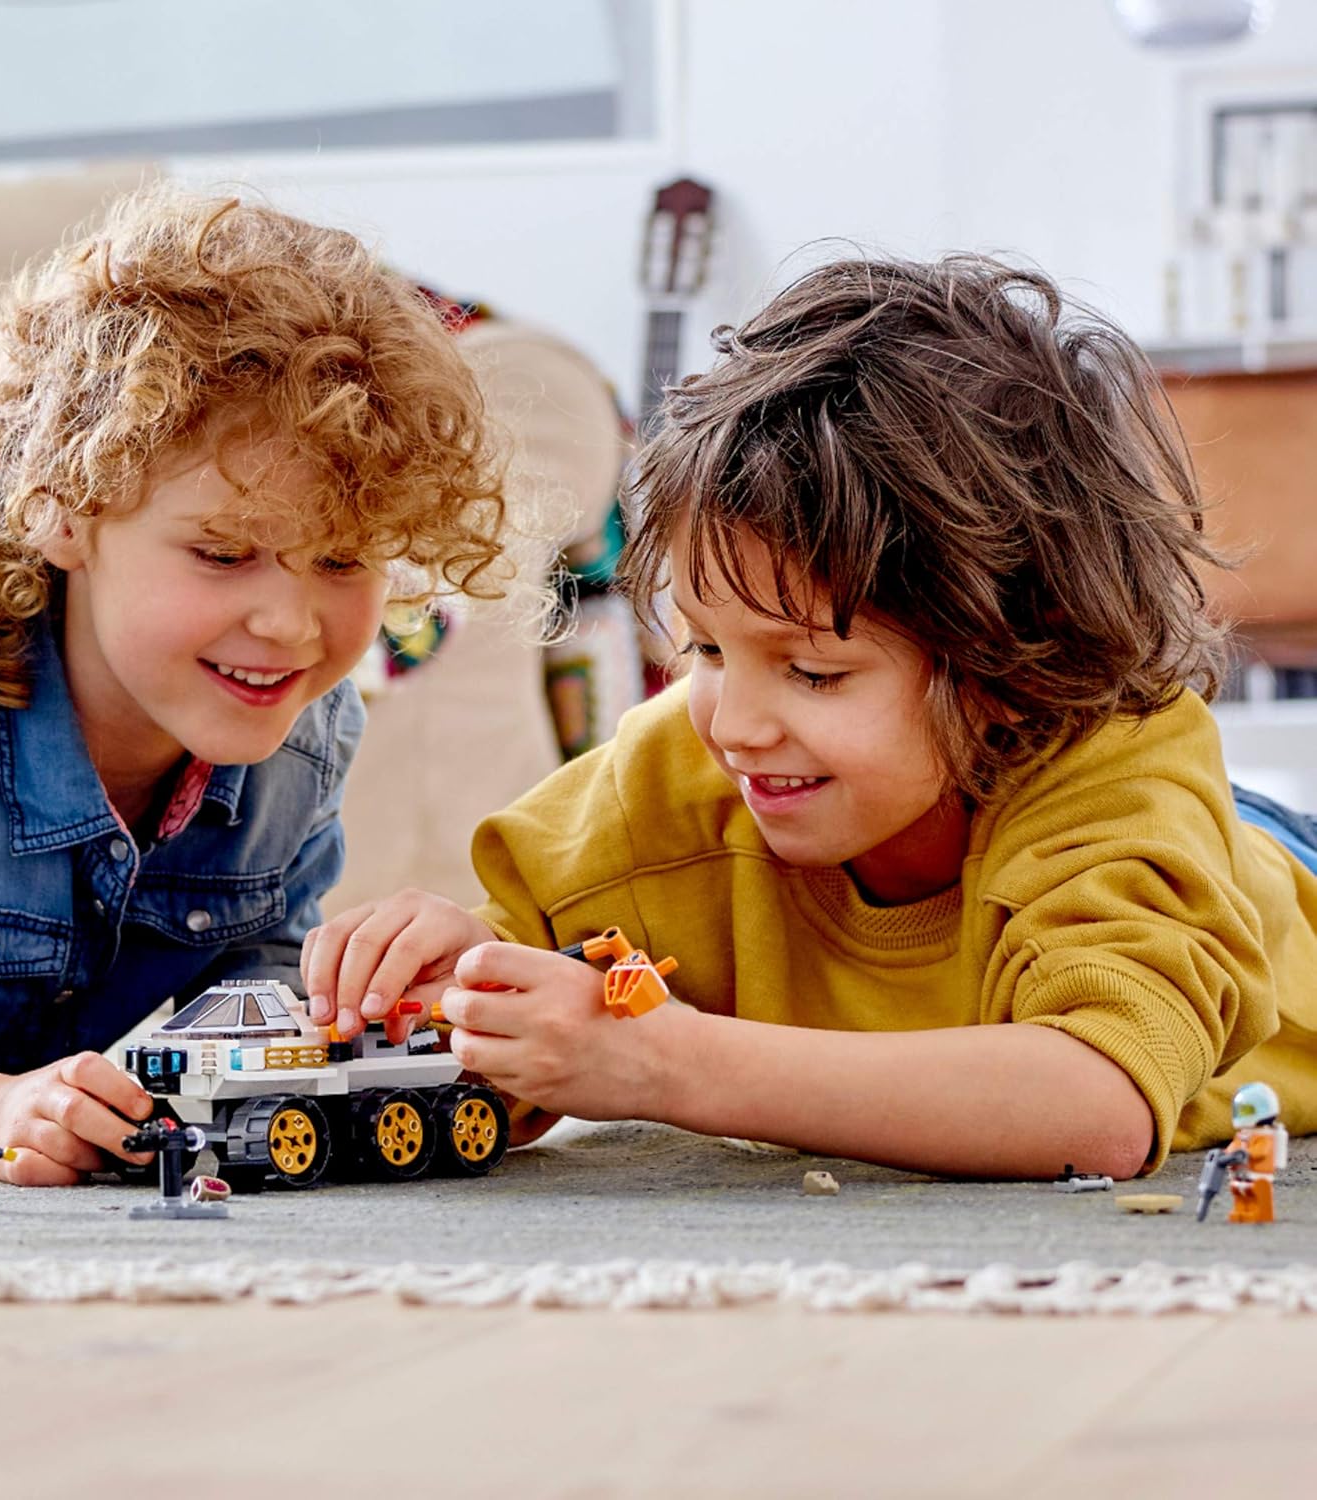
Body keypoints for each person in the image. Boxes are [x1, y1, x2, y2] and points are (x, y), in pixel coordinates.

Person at [304, 252, 1317, 1181]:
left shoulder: (1112, 771)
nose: (734, 724)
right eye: (707, 649)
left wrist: (666, 1063)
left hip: (1259, 866)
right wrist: (456, 992)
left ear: (1015, 662)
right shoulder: (677, 778)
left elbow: (1095, 1111)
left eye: (814, 672)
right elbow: (526, 1016)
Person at [0, 185, 509, 1183]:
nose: (290, 627)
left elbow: (257, 992)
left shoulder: (305, 730)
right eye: (224, 555)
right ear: (61, 509)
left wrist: (399, 1007)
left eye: (342, 561)